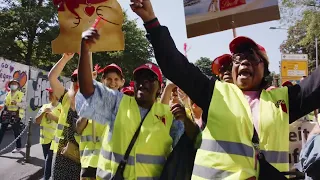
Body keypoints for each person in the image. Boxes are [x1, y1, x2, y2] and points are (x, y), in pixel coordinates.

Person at [129, 1, 320, 178]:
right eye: (237, 58)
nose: (243, 60)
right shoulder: (215, 93)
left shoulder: (285, 99)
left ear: (265, 68)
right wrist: (151, 21)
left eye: (252, 56)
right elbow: (175, 66)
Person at [76, 32, 195, 179]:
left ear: (160, 87)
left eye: (150, 78)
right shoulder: (117, 103)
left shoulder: (170, 115)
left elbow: (191, 146)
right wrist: (85, 50)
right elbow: (87, 89)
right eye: (139, 77)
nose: (143, 81)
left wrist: (187, 121)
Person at [76, 63, 124, 180]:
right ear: (103, 80)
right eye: (109, 79)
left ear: (122, 82)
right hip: (90, 163)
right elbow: (78, 128)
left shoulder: (126, 104)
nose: (113, 82)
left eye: (116, 79)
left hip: (111, 165)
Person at [48, 53, 81, 180]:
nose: (78, 82)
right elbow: (52, 77)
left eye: (82, 78)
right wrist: (65, 58)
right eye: (75, 78)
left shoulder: (91, 101)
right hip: (63, 151)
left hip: (82, 151)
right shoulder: (66, 96)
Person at [35, 88, 62, 180]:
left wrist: (53, 117)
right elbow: (37, 121)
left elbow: (65, 123)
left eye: (51, 94)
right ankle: (51, 176)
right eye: (49, 94)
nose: (49, 96)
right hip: (45, 139)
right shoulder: (44, 106)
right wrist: (43, 113)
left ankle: (46, 177)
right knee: (48, 160)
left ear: (57, 96)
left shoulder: (61, 108)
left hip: (55, 140)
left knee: (49, 159)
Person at [0, 79, 26, 153]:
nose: (13, 85)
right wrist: (2, 106)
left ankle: (18, 147)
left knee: (16, 132)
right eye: (12, 84)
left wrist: (17, 103)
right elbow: (6, 104)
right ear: (9, 85)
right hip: (7, 114)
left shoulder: (21, 94)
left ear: (17, 86)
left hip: (16, 115)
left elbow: (24, 105)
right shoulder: (7, 94)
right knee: (1, 131)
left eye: (15, 84)